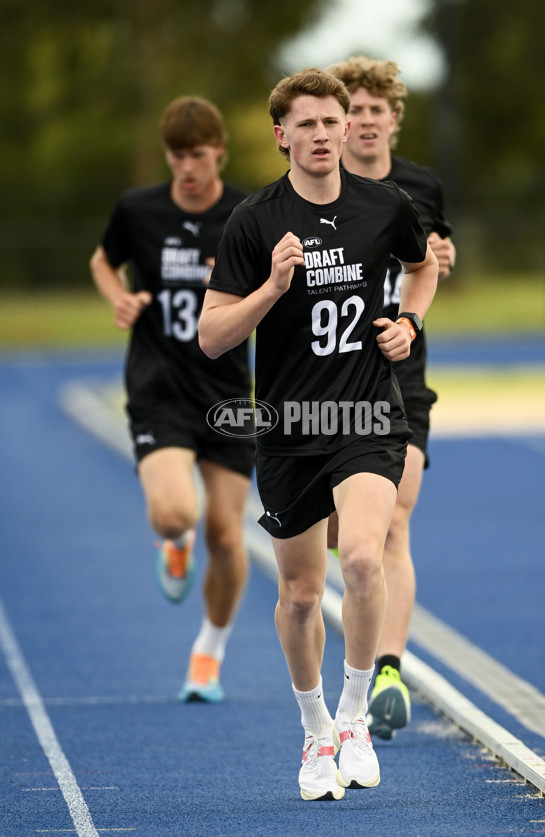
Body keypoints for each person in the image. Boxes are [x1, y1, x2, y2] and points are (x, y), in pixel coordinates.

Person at [198, 68, 438, 801]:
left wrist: (409, 323)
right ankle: (315, 731)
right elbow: (211, 337)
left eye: (332, 122)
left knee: (364, 558)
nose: (325, 135)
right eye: (307, 124)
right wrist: (270, 289)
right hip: (290, 427)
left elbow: (422, 267)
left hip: (368, 414)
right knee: (302, 593)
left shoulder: (384, 204)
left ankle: (357, 715)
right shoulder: (255, 221)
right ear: (282, 136)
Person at [90, 96, 254, 704]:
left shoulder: (247, 212)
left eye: (199, 155)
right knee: (176, 515)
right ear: (169, 156)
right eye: (178, 156)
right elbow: (104, 261)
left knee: (229, 536)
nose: (188, 167)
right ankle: (175, 543)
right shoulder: (138, 209)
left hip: (228, 389)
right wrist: (119, 297)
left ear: (219, 151)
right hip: (159, 385)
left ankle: (208, 653)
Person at [326, 55, 456, 740]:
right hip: (327, 382)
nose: (368, 119)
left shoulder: (421, 186)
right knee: (346, 540)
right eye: (357, 109)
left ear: (394, 118)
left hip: (400, 377)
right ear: (339, 121)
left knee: (394, 522)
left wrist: (437, 267)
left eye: (380, 109)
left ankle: (387, 668)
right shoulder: (319, 189)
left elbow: (433, 256)